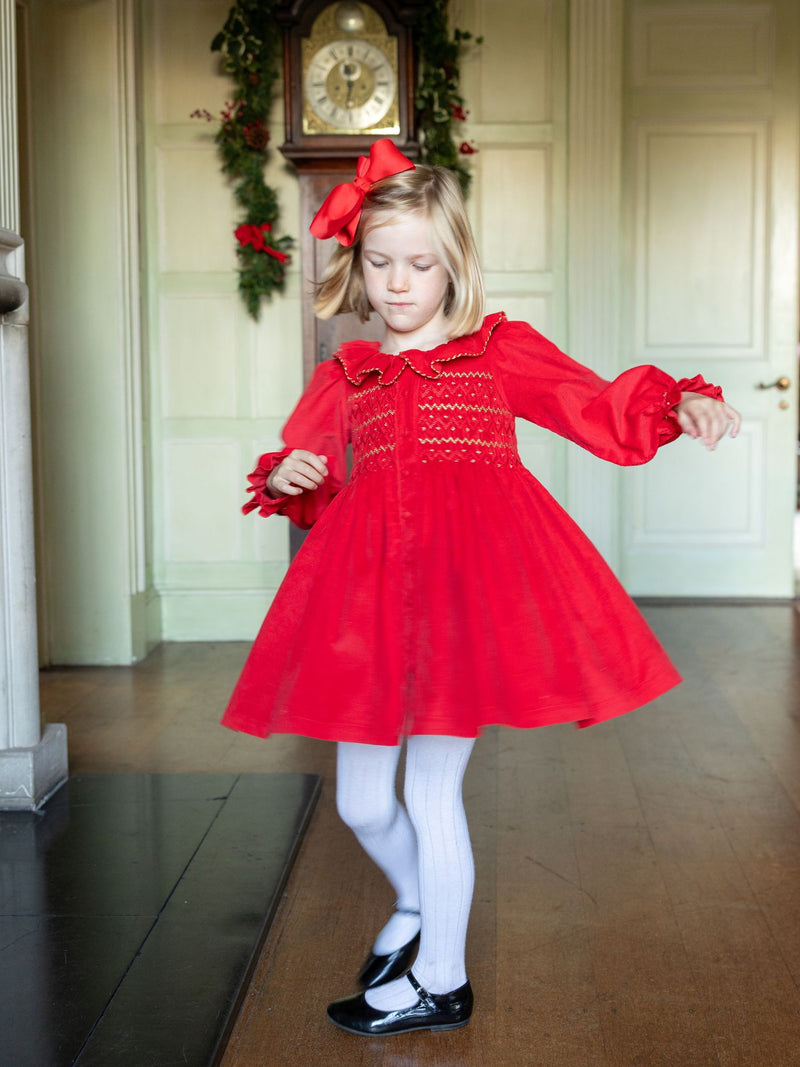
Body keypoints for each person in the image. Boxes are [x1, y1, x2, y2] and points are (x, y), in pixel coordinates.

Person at [221, 139, 740, 1037]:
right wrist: (287, 477)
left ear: (454, 264)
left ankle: (441, 981)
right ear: (357, 264)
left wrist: (678, 401)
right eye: (379, 262)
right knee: (358, 802)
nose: (396, 282)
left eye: (419, 264)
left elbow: (598, 405)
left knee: (429, 794)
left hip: (467, 602)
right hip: (368, 605)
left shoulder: (499, 351)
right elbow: (302, 481)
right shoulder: (346, 375)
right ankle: (423, 905)